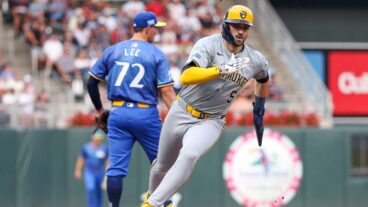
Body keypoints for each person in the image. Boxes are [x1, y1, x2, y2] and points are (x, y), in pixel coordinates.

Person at [141, 5, 269, 207]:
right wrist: (219, 70)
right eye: (236, 26)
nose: (241, 31)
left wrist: (259, 110)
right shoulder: (207, 45)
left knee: (190, 154)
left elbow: (263, 79)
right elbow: (186, 76)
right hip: (182, 110)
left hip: (212, 120)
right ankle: (156, 200)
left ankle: (152, 204)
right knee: (161, 166)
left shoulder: (255, 59)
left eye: (245, 27)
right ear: (226, 25)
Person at [87, 11, 176, 207]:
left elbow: (91, 83)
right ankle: (164, 203)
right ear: (147, 29)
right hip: (145, 114)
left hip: (118, 113)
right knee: (161, 164)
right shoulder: (155, 54)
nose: (157, 32)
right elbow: (167, 92)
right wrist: (181, 116)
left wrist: (100, 110)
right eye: (155, 29)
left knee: (116, 169)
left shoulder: (114, 50)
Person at [74, 131, 109, 207]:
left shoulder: (103, 148)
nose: (98, 141)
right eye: (96, 139)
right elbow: (81, 159)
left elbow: (107, 162)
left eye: (99, 139)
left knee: (99, 190)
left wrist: (107, 174)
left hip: (99, 171)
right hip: (90, 171)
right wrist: (78, 170)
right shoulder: (86, 147)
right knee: (91, 188)